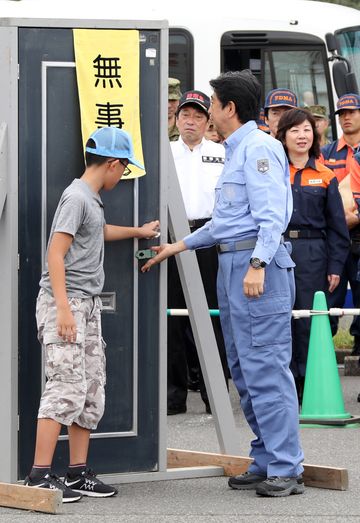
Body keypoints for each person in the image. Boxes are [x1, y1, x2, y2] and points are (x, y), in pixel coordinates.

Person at [143, 70, 305, 497]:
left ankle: (287, 466)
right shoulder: (234, 150)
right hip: (233, 262)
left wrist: (257, 263)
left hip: (257, 267)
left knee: (266, 367)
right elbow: (227, 221)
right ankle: (266, 457)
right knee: (244, 368)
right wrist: (178, 245)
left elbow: (272, 216)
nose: (207, 110)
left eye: (212, 103)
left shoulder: (260, 148)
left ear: (229, 108)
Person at [24, 127, 160, 502]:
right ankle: (38, 476)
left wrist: (137, 231)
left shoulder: (89, 199)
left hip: (87, 303)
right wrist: (64, 309)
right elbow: (55, 253)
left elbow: (97, 231)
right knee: (64, 387)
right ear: (113, 164)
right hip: (64, 304)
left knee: (90, 389)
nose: (122, 176)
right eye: (124, 169)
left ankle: (78, 473)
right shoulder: (76, 197)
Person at [276, 108, 349, 404]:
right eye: (294, 130)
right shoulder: (274, 172)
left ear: (314, 135)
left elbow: (337, 228)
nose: (301, 136)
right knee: (280, 319)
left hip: (313, 254)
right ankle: (284, 384)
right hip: (277, 249)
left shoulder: (325, 175)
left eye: (306, 129)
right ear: (283, 136)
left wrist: (334, 267)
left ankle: (307, 385)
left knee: (307, 319)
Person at [168, 89, 229, 415]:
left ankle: (213, 394)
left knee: (212, 316)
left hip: (209, 237)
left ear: (208, 121)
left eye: (198, 116)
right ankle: (173, 396)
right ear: (177, 119)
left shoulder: (222, 153)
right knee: (172, 318)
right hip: (172, 234)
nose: (191, 122)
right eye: (185, 116)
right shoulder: (164, 152)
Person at [321, 94, 360, 356]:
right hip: (334, 240)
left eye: (351, 112)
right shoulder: (327, 153)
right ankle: (320, 354)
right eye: (341, 114)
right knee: (328, 298)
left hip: (358, 234)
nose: (345, 118)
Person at [168, 77, 182, 142]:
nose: (168, 105)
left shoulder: (185, 128)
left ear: (178, 101)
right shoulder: (147, 127)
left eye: (173, 100)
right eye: (165, 100)